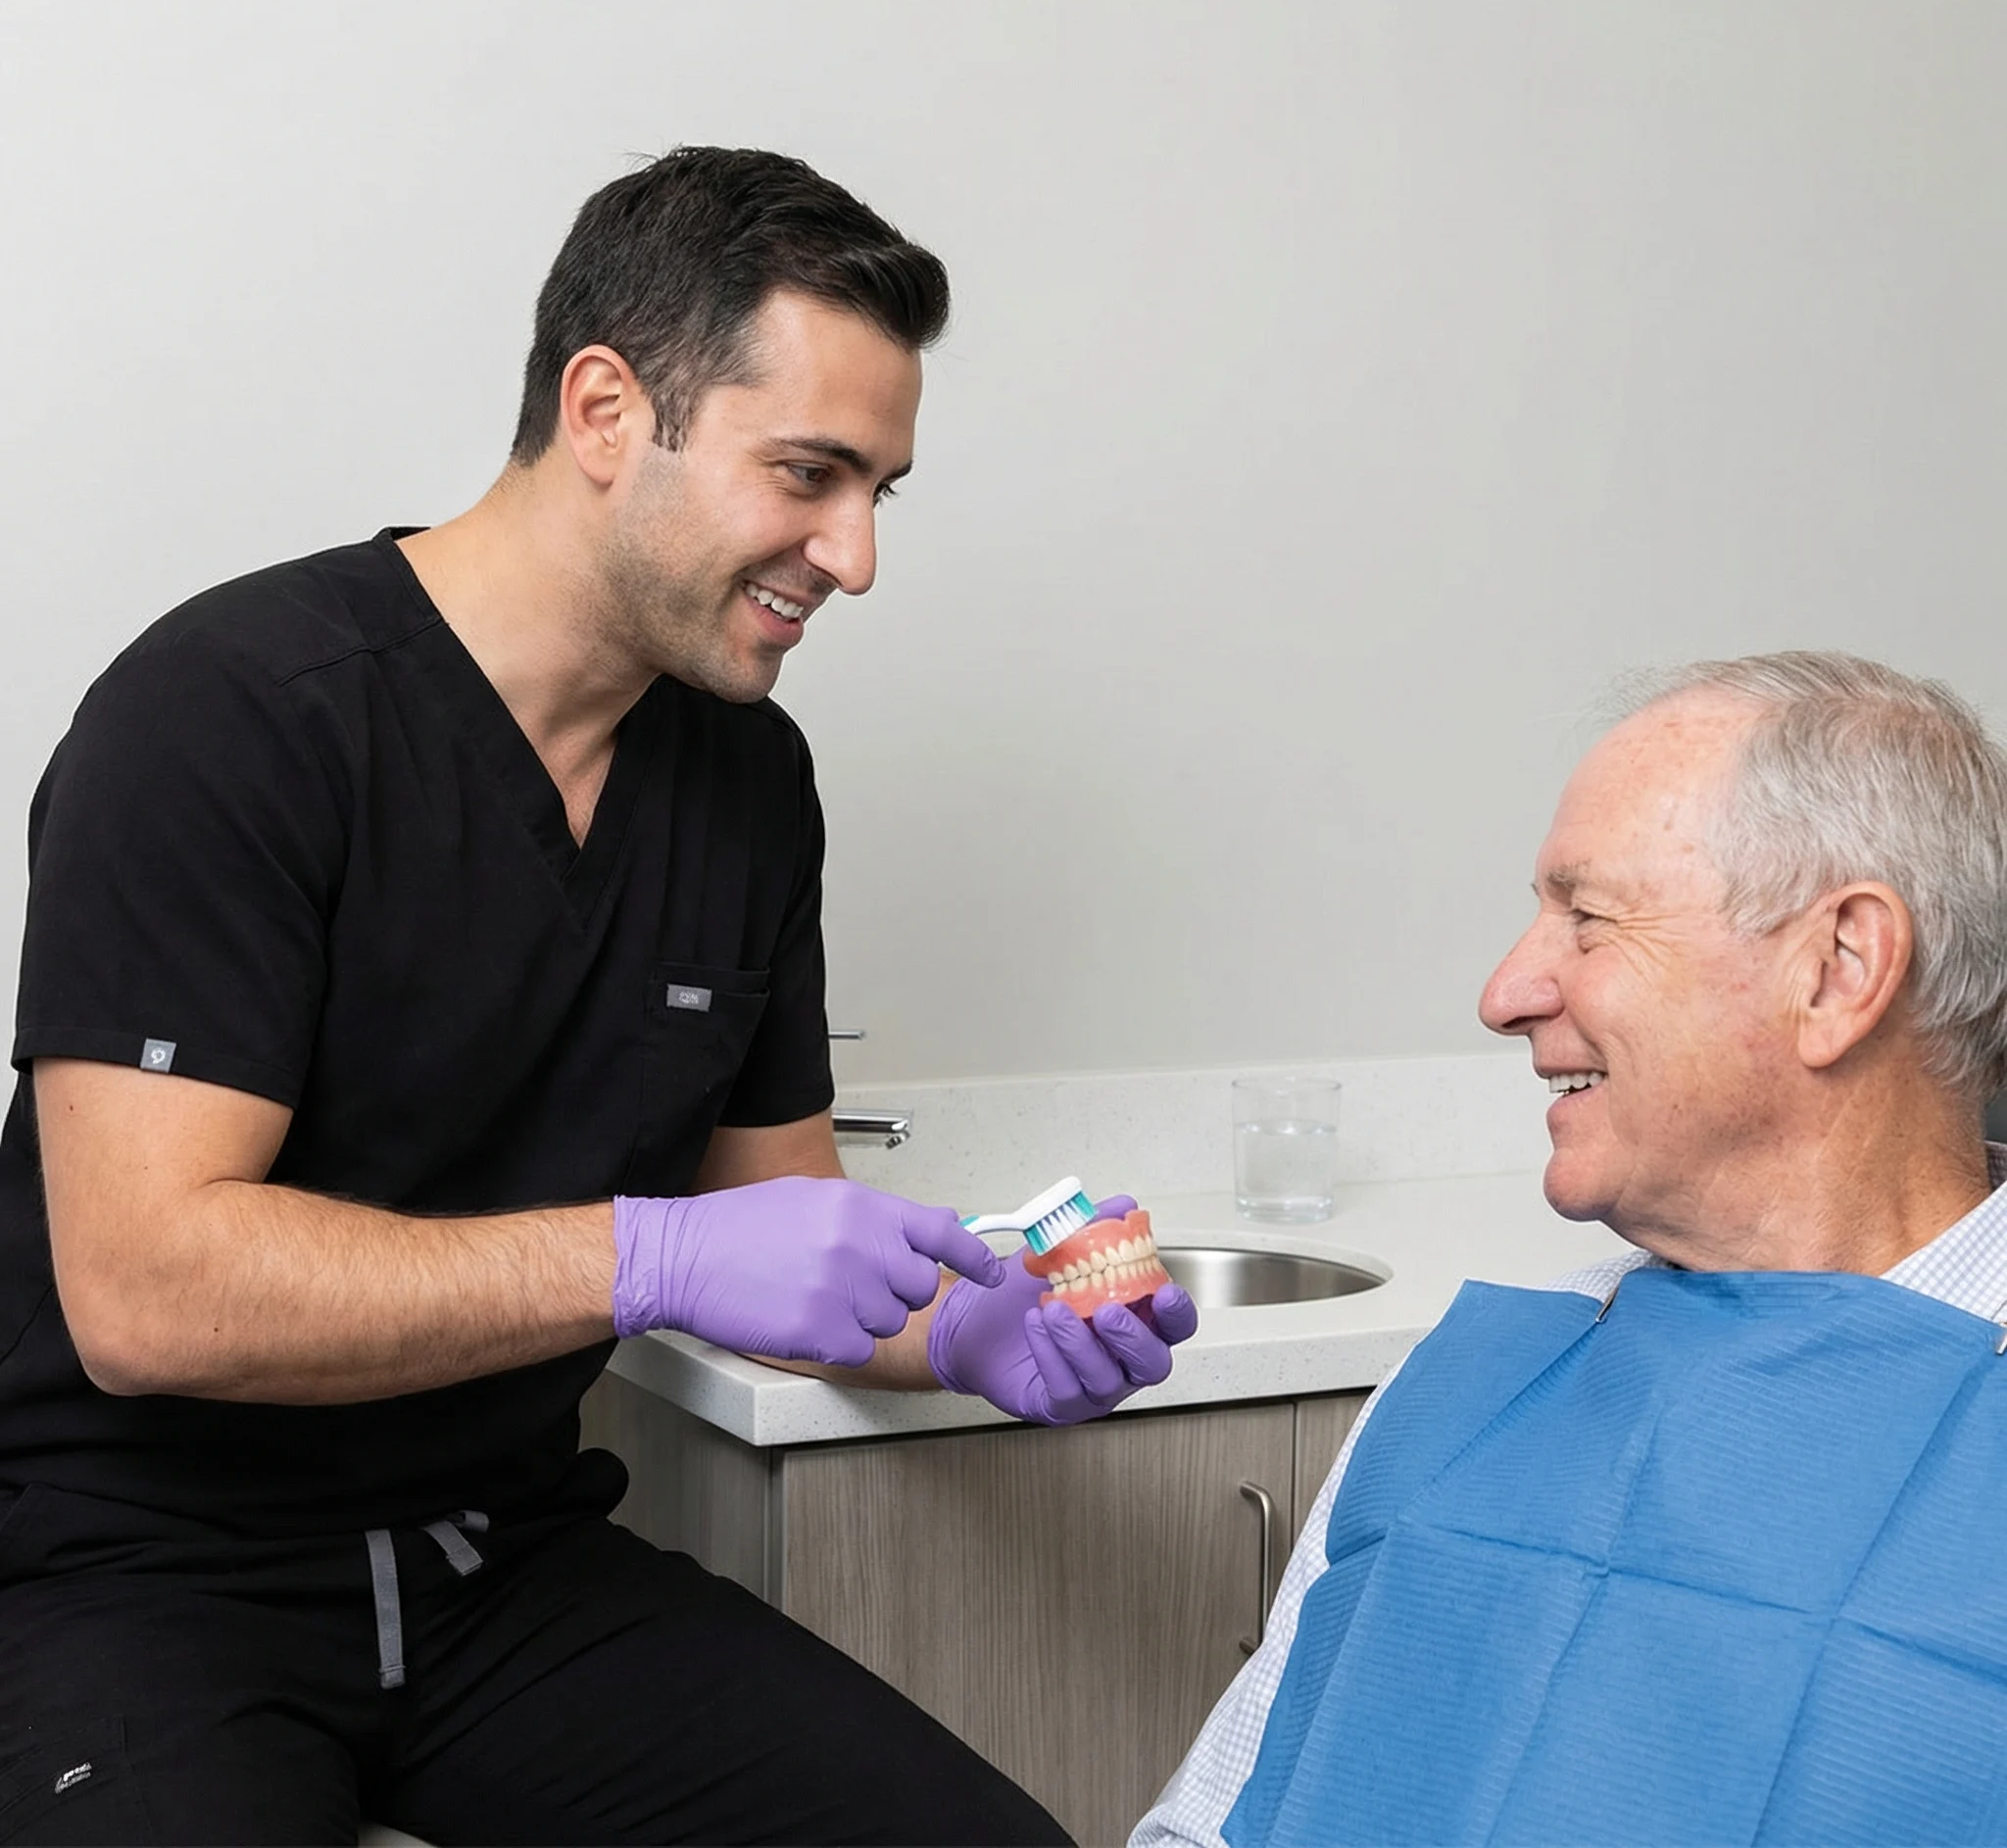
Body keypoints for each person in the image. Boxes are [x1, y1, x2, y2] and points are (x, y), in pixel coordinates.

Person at [0, 146, 1196, 1847]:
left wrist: (978, 1327)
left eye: (881, 492)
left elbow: (779, 1227)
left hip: (503, 1567)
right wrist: (652, 1253)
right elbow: (144, 1289)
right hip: (139, 1580)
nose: (851, 556)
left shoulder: (744, 780)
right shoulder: (233, 716)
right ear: (607, 407)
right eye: (809, 472)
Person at [1138, 651, 2007, 1848]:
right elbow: (1208, 1824)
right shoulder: (1472, 1389)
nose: (1504, 991)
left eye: (1587, 918)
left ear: (1837, 967)